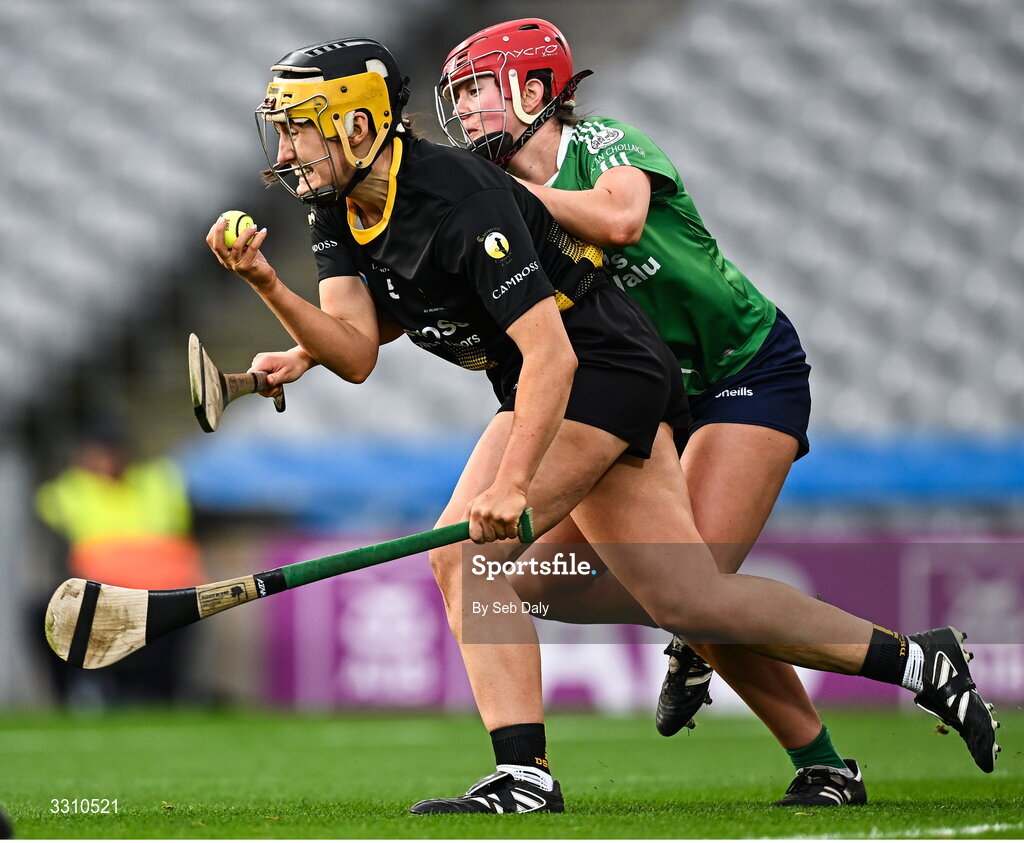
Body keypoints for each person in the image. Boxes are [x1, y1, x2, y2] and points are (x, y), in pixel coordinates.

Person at [207, 36, 998, 815]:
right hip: (578, 376)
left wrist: (514, 482)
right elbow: (354, 349)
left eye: (296, 124)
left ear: (355, 124)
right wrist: (269, 284)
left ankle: (524, 775)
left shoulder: (462, 193)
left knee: (471, 558)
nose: (283, 147)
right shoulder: (338, 208)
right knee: (689, 599)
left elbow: (552, 354)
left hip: (602, 370)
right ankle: (916, 661)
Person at [434, 18, 860, 807]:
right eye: (456, 96)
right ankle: (690, 636)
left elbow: (622, 220)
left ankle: (833, 752)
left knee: (697, 591)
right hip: (639, 394)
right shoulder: (502, 206)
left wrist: (508, 197)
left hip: (740, 372)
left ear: (534, 91)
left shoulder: (604, 143)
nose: (463, 113)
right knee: (538, 583)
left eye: (477, 92)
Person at [34, 419, 205, 705]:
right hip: (104, 593)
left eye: (112, 451)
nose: (107, 460)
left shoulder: (160, 480)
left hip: (163, 589)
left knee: (163, 656)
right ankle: (75, 696)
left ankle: (157, 695)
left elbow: (187, 526)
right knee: (45, 612)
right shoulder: (69, 491)